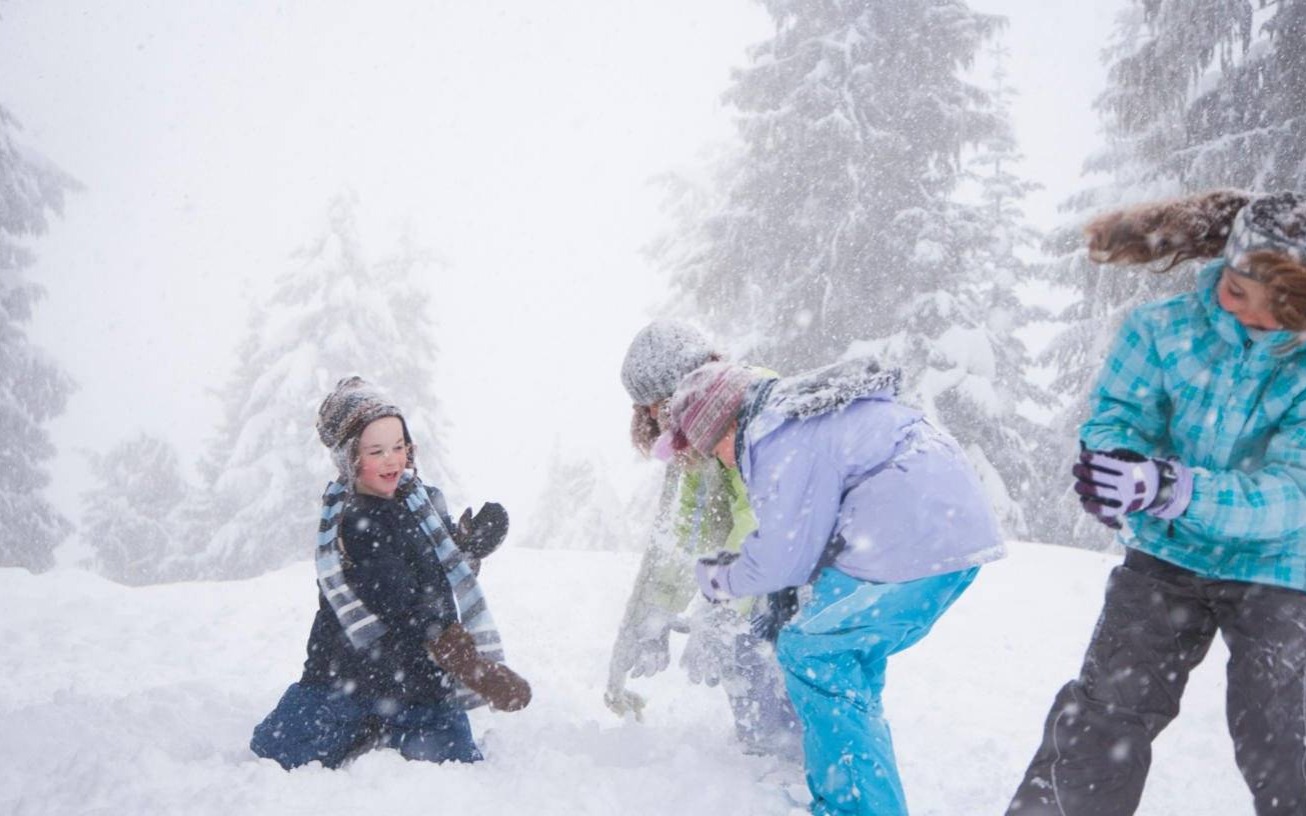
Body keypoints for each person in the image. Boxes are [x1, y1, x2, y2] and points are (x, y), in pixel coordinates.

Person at [1006, 190, 1306, 815]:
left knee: (1284, 735)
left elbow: (1294, 492)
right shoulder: (1163, 328)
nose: (1249, 315)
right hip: (1167, 555)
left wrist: (1177, 488)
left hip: (1282, 565)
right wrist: (1115, 463)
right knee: (1103, 718)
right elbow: (1119, 415)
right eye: (1236, 291)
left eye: (1279, 308)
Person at [666, 358, 1005, 816]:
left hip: (908, 539)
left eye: (713, 450)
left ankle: (858, 807)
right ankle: (858, 796)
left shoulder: (777, 438)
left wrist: (720, 580)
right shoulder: (800, 417)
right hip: (951, 536)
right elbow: (802, 541)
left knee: (813, 653)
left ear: (725, 427)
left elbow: (782, 560)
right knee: (847, 664)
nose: (722, 461)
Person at [250, 376, 530, 770]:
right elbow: (401, 601)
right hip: (351, 673)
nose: (392, 460)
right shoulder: (354, 522)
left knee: (455, 760)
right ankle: (364, 723)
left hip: (420, 682)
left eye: (399, 446)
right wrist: (469, 665)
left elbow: (438, 562)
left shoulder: (421, 500)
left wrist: (468, 546)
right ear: (351, 458)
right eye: (376, 451)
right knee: (278, 751)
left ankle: (388, 725)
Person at [605, 320, 802, 761]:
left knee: (757, 646)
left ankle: (785, 760)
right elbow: (691, 530)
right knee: (744, 648)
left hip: (800, 563)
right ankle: (768, 753)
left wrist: (722, 607)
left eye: (656, 405)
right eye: (645, 408)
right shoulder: (701, 434)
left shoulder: (752, 408)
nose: (652, 418)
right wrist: (659, 609)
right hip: (772, 564)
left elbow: (760, 517)